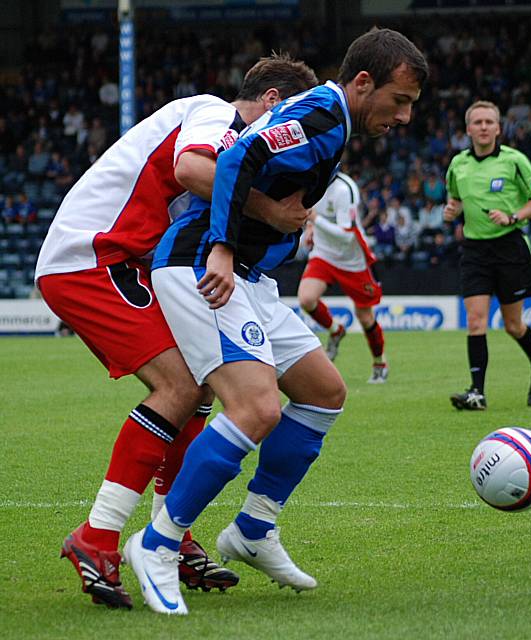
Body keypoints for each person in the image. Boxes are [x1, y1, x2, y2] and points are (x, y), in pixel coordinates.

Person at [122, 27, 428, 615]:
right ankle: (156, 545)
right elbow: (238, 155)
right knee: (257, 407)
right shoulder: (320, 113)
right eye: (400, 100)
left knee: (323, 392)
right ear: (363, 83)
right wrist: (220, 246)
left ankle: (254, 528)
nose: (405, 116)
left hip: (253, 279)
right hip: (201, 268)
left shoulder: (329, 122)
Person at [34, 54, 319, 609]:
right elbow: (191, 169)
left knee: (204, 383)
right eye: (295, 119)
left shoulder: (222, 129)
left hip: (123, 258)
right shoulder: (216, 115)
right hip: (91, 255)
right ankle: (97, 537)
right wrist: (266, 208)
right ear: (273, 103)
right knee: (180, 388)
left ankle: (176, 536)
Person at [443, 100, 531, 411]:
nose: (484, 127)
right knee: (476, 321)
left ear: (499, 128)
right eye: (478, 122)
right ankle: (477, 392)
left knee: (513, 325)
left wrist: (513, 216)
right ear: (468, 129)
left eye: (489, 122)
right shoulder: (458, 164)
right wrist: (452, 210)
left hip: (510, 248)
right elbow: (456, 199)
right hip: (475, 250)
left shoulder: (516, 161)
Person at [298, 172, 388, 383]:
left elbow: (348, 236)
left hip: (352, 259)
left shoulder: (343, 189)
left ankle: (379, 363)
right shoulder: (309, 181)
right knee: (306, 299)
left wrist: (315, 220)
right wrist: (311, 227)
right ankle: (335, 329)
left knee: (365, 316)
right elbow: (311, 212)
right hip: (324, 253)